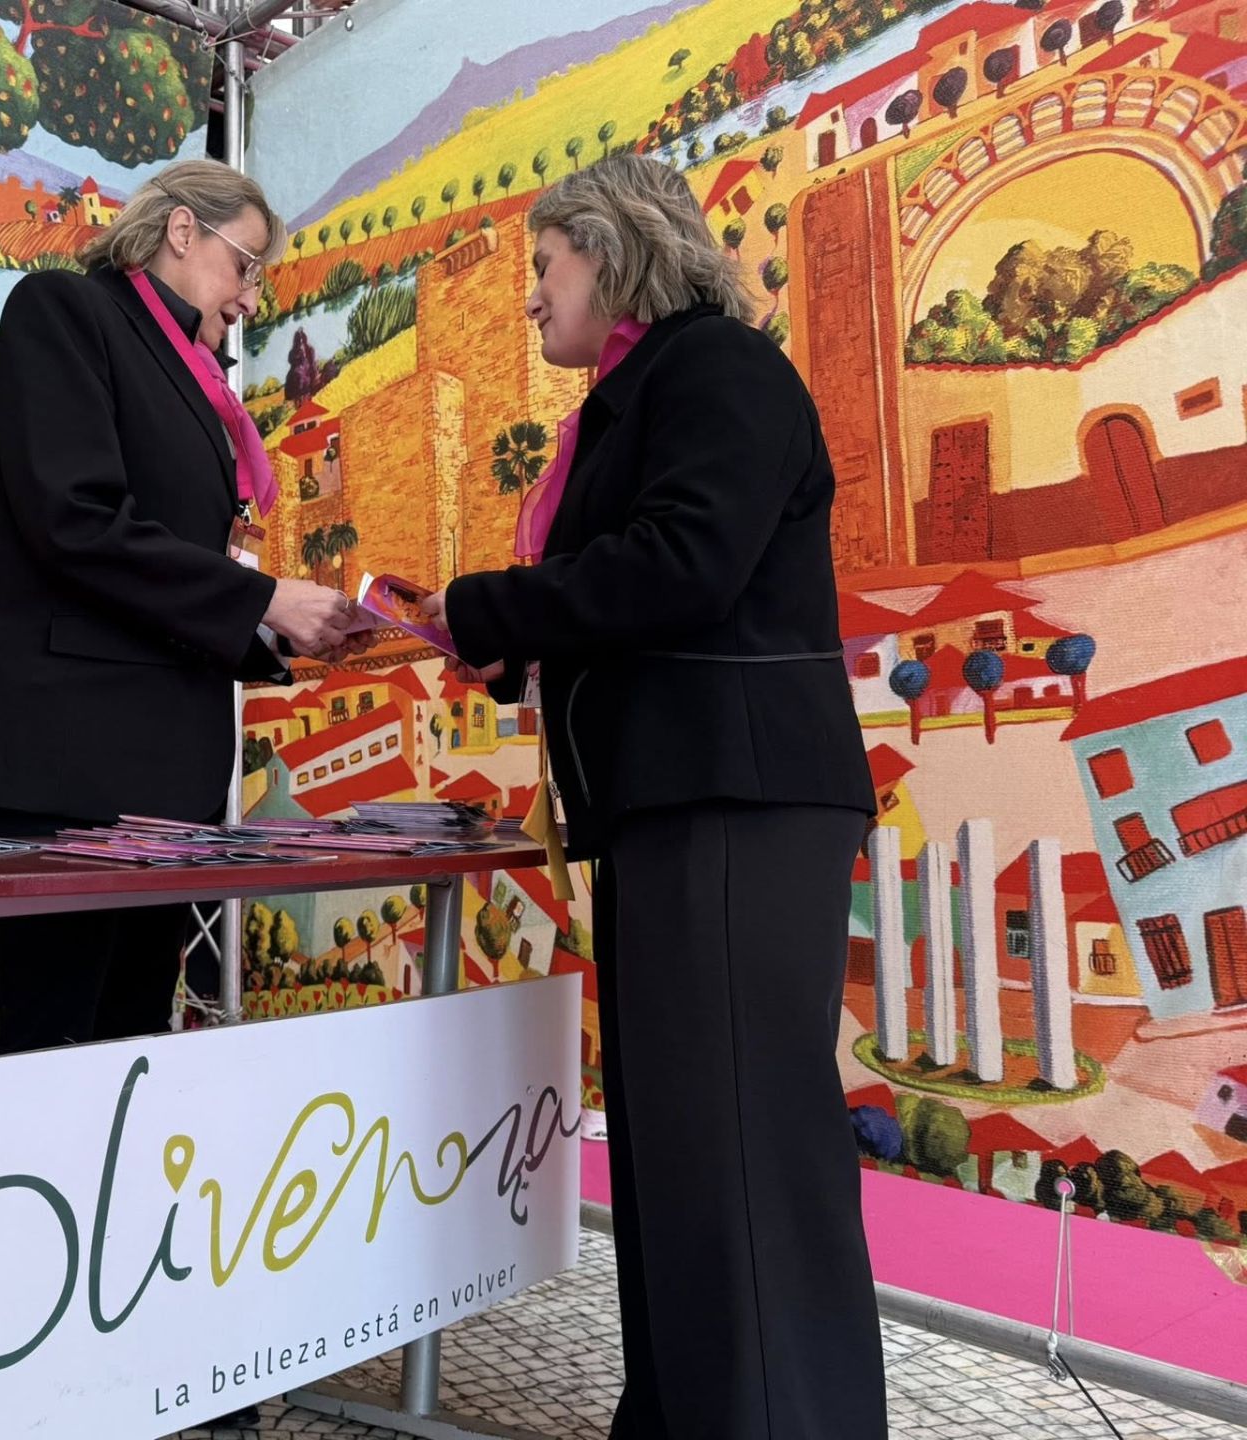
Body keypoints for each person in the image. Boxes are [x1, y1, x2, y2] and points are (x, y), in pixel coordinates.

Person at [420, 154, 888, 1438]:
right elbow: (652, 587)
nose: (530, 301)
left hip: (732, 798)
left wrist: (488, 607)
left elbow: (682, 565)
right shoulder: (648, 395)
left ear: (610, 250)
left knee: (740, 1154)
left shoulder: (716, 371)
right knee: (685, 1155)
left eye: (544, 270)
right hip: (674, 800)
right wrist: (505, 637)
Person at [0, 159, 360, 1064]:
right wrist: (260, 596)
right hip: (64, 751)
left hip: (163, 763)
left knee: (134, 1038)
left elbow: (167, 560)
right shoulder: (66, 312)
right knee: (56, 1033)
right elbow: (73, 519)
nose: (251, 297)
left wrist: (270, 626)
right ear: (182, 231)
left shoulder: (194, 377)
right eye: (246, 265)